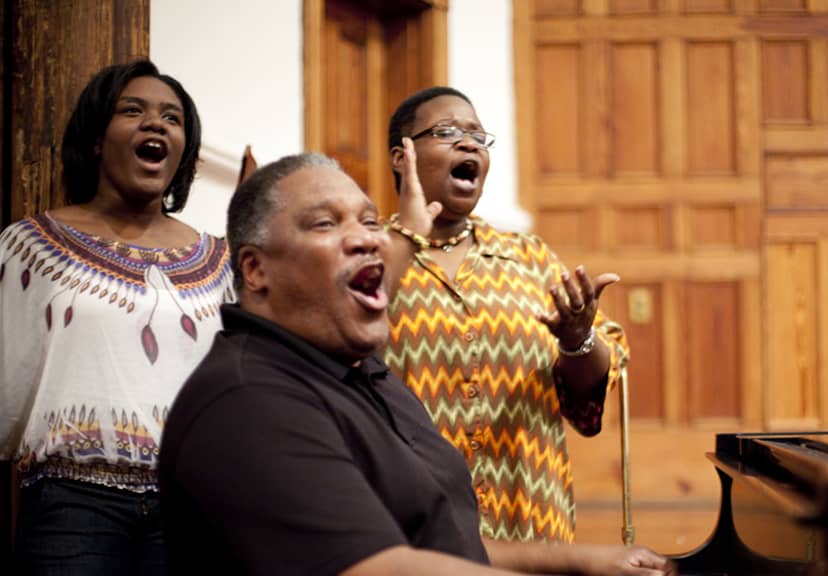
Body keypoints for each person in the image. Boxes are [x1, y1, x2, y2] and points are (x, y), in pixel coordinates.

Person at [158, 151, 673, 576]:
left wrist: (591, 560)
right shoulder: (250, 401)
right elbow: (384, 567)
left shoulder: (365, 374)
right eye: (324, 223)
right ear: (255, 269)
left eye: (368, 220)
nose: (368, 238)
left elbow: (446, 545)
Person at [0, 60, 234, 574]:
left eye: (172, 119)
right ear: (96, 140)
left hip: (192, 505)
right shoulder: (29, 247)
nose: (156, 124)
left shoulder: (221, 261)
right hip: (72, 508)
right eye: (133, 110)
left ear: (184, 155)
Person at [380, 86, 629, 543]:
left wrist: (577, 340)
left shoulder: (529, 259)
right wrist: (404, 237)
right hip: (412, 532)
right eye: (447, 131)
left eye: (478, 135)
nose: (469, 143)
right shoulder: (370, 255)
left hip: (530, 523)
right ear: (402, 156)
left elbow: (591, 390)